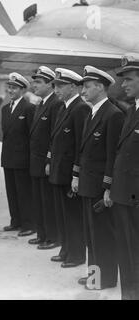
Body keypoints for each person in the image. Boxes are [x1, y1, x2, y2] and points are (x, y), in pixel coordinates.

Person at [76, 66, 123, 290]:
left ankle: (105, 279)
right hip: (87, 184)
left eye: (87, 86)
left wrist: (108, 188)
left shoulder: (113, 115)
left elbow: (113, 155)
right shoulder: (93, 112)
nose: (83, 91)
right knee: (92, 236)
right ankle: (94, 276)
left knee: (103, 236)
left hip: (99, 187)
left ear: (100, 87)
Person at [46, 68, 89, 268]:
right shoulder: (63, 107)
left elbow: (81, 144)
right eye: (55, 85)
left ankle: (77, 254)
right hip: (58, 172)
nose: (56, 90)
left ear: (73, 86)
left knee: (72, 216)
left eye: (61, 86)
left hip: (68, 173)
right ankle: (66, 249)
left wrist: (76, 174)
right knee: (63, 215)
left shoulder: (80, 108)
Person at [110, 53, 139, 299]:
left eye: (128, 79)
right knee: (127, 252)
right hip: (124, 196)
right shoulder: (131, 111)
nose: (123, 85)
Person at [29, 66, 63, 249]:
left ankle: (52, 237)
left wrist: (49, 160)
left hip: (45, 162)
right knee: (39, 201)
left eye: (39, 82)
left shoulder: (55, 104)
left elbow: (54, 136)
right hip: (36, 162)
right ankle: (42, 234)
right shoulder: (41, 103)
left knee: (48, 202)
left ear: (50, 85)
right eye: (34, 81)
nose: (34, 85)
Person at [1, 72, 35, 236]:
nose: (10, 90)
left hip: (22, 159)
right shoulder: (5, 109)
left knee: (24, 193)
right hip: (8, 158)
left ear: (22, 90)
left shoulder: (29, 108)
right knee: (12, 192)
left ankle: (28, 224)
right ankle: (16, 221)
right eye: (9, 87)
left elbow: (32, 136)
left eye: (14, 87)